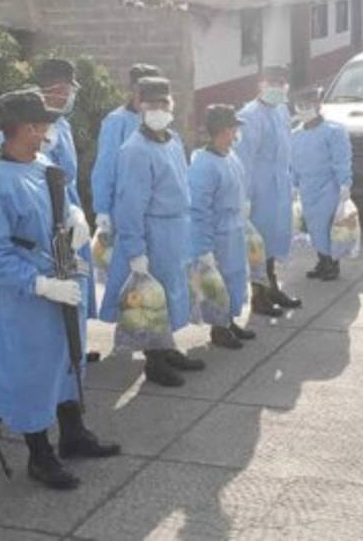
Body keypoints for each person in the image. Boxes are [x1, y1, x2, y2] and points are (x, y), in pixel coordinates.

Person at [0, 89, 120, 492]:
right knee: (33, 373)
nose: (50, 131)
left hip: (65, 279)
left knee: (69, 359)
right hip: (29, 296)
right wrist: (39, 284)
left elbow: (61, 204)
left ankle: (73, 433)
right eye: (44, 124)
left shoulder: (41, 162)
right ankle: (40, 454)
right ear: (27, 128)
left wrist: (76, 218)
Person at [99, 77, 205, 387]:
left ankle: (167, 347)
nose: (159, 109)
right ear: (140, 106)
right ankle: (154, 362)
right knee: (151, 300)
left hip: (176, 229)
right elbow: (130, 205)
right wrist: (136, 251)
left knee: (173, 292)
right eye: (152, 104)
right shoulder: (135, 150)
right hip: (153, 231)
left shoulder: (171, 140)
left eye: (164, 103)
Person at [33, 58, 99, 320]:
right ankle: (68, 340)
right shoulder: (35, 124)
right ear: (58, 88)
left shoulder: (62, 123)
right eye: (69, 89)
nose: (71, 96)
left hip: (69, 201)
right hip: (51, 206)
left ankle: (78, 340)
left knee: (77, 272)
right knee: (60, 273)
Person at [236, 65, 302, 317]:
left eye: (281, 82)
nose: (277, 87)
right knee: (258, 244)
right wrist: (245, 197)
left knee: (274, 241)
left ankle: (273, 287)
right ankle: (259, 296)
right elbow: (245, 160)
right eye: (271, 82)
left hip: (280, 188)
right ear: (260, 84)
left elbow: (287, 148)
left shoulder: (281, 110)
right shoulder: (250, 115)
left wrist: (292, 181)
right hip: (259, 190)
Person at [189, 104, 257, 350]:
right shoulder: (204, 165)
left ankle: (228, 321)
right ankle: (219, 328)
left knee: (235, 277)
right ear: (223, 130)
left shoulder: (230, 155)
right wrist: (203, 247)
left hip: (234, 229)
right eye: (233, 128)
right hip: (217, 234)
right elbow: (198, 209)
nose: (236, 133)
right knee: (219, 282)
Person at [288, 86, 353, 282]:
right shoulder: (296, 135)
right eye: (301, 105)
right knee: (314, 228)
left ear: (318, 105)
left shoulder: (333, 131)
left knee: (327, 226)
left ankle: (332, 264)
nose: (305, 108)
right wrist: (293, 185)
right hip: (307, 189)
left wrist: (344, 183)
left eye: (309, 104)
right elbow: (293, 163)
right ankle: (322, 260)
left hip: (328, 187)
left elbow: (341, 159)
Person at [91, 63, 162, 231]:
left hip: (156, 209)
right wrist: (102, 209)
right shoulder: (117, 121)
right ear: (133, 91)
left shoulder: (158, 121)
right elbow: (105, 167)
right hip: (125, 207)